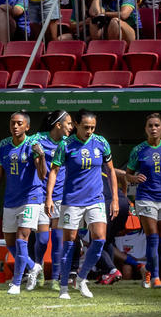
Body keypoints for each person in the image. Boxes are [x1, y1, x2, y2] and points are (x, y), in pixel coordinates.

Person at [45, 109, 119, 300]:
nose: (90, 131)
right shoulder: (66, 145)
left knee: (100, 239)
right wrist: (49, 197)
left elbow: (111, 172)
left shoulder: (101, 143)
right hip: (72, 201)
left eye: (93, 127)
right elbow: (53, 171)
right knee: (70, 244)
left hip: (96, 199)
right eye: (86, 127)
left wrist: (116, 200)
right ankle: (63, 288)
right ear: (76, 124)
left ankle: (81, 278)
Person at [0, 111, 48, 295]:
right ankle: (33, 266)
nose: (15, 126)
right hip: (10, 200)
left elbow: (43, 175)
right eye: (13, 123)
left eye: (19, 123)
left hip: (31, 198)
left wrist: (42, 156)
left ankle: (16, 283)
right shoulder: (4, 145)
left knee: (21, 240)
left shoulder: (32, 145)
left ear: (27, 126)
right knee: (10, 242)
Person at [125, 113, 161, 289]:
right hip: (145, 199)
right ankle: (155, 277)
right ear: (145, 129)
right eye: (150, 125)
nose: (153, 128)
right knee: (153, 239)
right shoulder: (138, 150)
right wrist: (133, 179)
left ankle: (147, 268)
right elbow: (127, 175)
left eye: (157, 125)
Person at [29, 110, 74, 291]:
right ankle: (38, 269)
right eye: (69, 123)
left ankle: (55, 278)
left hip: (60, 196)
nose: (71, 127)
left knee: (57, 239)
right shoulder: (37, 139)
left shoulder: (69, 143)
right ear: (58, 125)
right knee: (41, 240)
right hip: (39, 195)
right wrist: (36, 152)